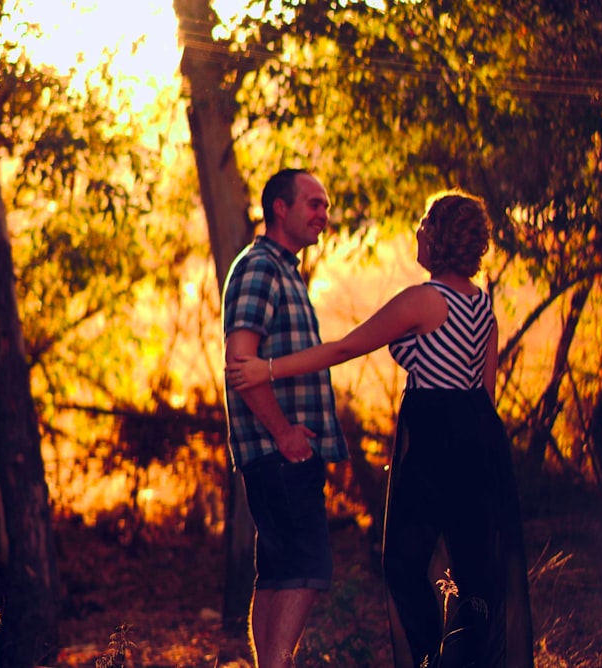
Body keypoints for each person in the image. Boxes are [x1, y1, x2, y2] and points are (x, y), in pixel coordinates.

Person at [227, 189, 534, 667]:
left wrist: (268, 370)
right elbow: (484, 394)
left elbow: (345, 349)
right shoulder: (483, 308)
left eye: (425, 224)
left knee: (404, 565)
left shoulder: (424, 300)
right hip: (479, 439)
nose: (418, 230)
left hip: (433, 438)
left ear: (439, 238)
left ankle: (434, 659)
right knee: (476, 572)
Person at [221, 168, 350, 668]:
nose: (323, 214)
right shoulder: (261, 268)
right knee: (305, 568)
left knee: (278, 572)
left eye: (324, 204)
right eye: (314, 204)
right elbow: (241, 364)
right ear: (281, 207)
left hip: (280, 451)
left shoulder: (283, 269)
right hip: (279, 451)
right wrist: (284, 433)